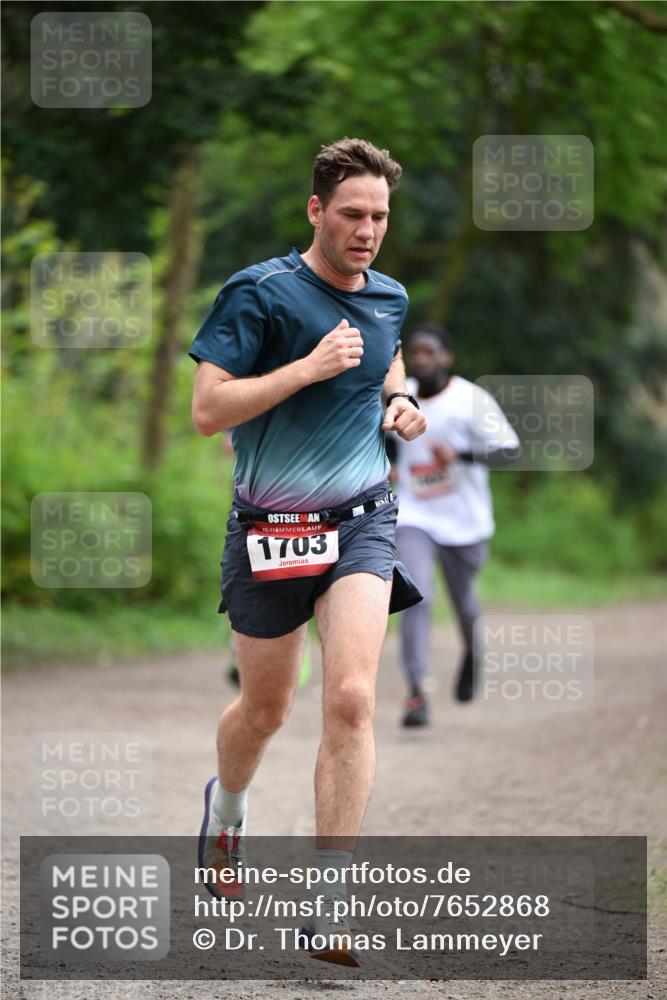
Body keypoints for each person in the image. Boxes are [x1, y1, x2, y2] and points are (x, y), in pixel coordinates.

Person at [189, 138, 426, 966]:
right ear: (316, 211)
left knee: (353, 699)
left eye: (380, 217)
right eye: (353, 214)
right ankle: (226, 816)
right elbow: (209, 410)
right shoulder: (259, 294)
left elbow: (386, 356)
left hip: (360, 519)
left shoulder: (389, 295)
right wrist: (304, 367)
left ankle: (329, 908)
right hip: (268, 530)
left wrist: (400, 400)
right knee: (265, 710)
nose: (367, 231)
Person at [388, 324, 519, 726]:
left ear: (448, 358)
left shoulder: (471, 399)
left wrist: (460, 456)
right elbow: (386, 434)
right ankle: (416, 692)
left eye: (431, 352)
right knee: (418, 595)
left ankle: (473, 651)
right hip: (415, 514)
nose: (423, 359)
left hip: (466, 521)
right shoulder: (400, 392)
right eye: (417, 352)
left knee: (464, 603)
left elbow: (510, 453)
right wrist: (391, 462)